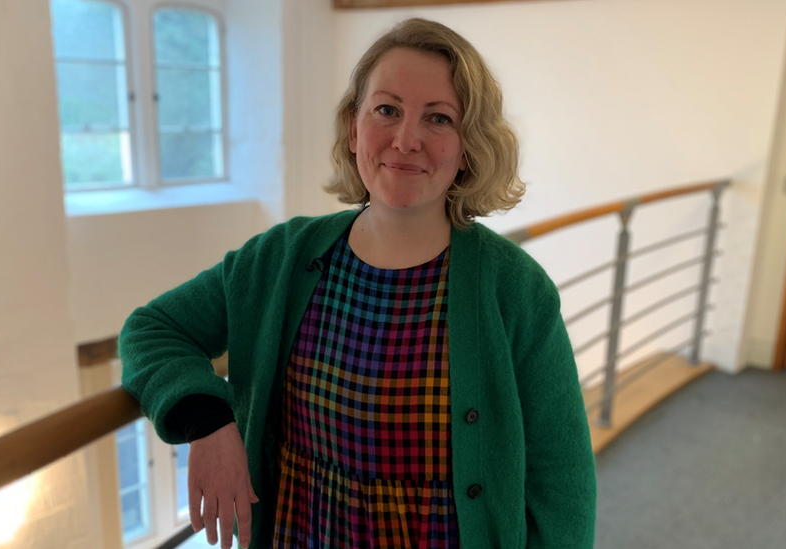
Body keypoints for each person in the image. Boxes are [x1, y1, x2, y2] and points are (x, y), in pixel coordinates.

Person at [120, 18, 595, 549]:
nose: (406, 139)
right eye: (386, 110)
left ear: (467, 146)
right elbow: (151, 329)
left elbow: (563, 490)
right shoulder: (279, 258)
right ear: (353, 127)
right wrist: (206, 421)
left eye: (438, 118)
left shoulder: (515, 290)